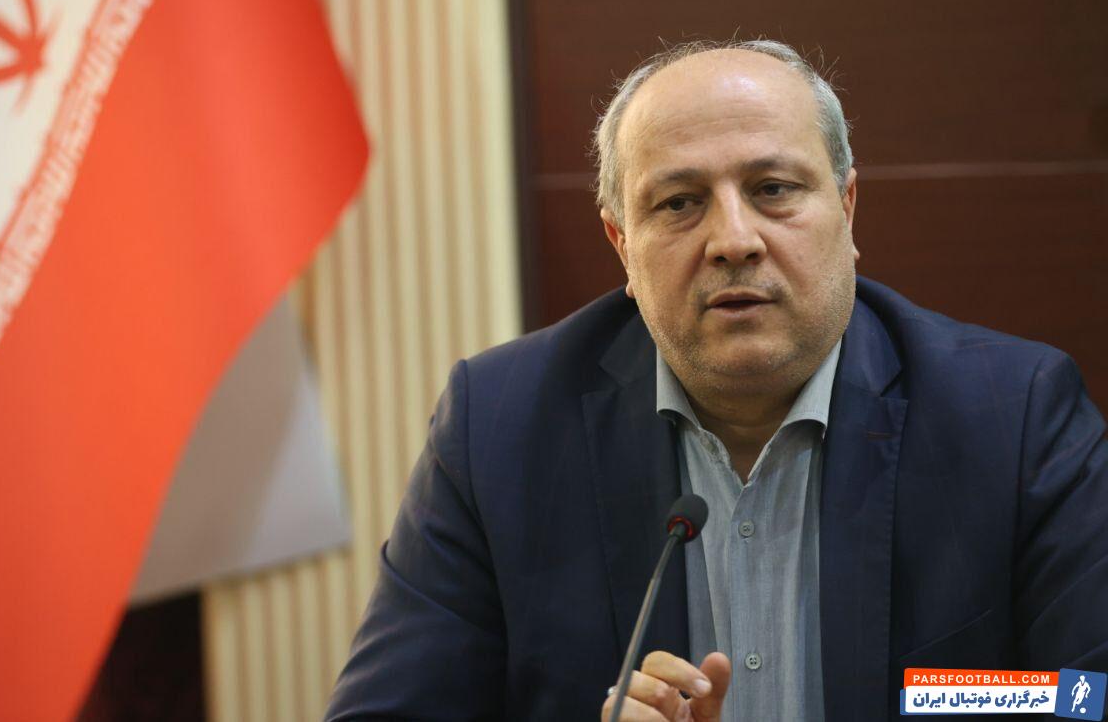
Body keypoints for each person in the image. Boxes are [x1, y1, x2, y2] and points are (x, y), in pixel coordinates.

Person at [325, 40, 1108, 721]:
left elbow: (1086, 695)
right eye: (680, 202)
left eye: (773, 189)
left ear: (847, 207)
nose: (733, 240)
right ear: (622, 245)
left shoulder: (1014, 414)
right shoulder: (498, 426)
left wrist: (944, 698)